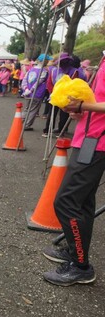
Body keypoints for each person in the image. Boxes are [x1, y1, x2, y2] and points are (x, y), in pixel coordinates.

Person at [41, 56, 105, 286]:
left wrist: (81, 106)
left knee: (66, 202)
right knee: (83, 202)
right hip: (88, 137)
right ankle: (76, 253)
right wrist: (81, 111)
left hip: (97, 142)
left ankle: (80, 266)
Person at [43, 53, 86, 137]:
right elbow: (50, 83)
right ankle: (54, 130)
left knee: (59, 114)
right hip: (59, 96)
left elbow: (50, 83)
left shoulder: (58, 71)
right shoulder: (72, 71)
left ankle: (54, 130)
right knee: (57, 114)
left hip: (61, 96)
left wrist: (53, 93)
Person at [20, 54, 50, 131]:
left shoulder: (31, 69)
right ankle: (27, 125)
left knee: (27, 108)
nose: (48, 62)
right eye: (47, 60)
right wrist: (31, 90)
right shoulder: (44, 71)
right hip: (37, 94)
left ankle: (19, 122)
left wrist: (26, 89)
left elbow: (24, 80)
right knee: (33, 110)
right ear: (44, 61)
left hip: (28, 93)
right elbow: (38, 82)